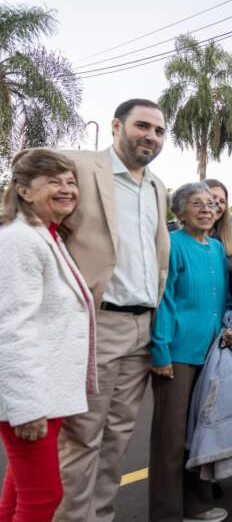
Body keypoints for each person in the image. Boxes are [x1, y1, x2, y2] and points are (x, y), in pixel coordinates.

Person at [55, 98, 171, 522]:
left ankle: (99, 516)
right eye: (143, 126)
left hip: (142, 328)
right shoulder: (82, 166)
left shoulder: (157, 186)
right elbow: (26, 166)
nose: (152, 137)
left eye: (159, 131)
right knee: (81, 438)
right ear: (117, 125)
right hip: (97, 323)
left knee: (117, 438)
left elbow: (156, 254)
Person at [0, 149, 96, 522]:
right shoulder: (19, 240)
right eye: (53, 181)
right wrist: (27, 406)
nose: (67, 189)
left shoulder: (46, 236)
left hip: (45, 392)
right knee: (43, 496)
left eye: (70, 182)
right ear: (23, 190)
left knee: (19, 487)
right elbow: (10, 327)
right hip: (29, 397)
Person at [148, 183, 232, 522]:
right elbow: (165, 300)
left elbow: (223, 298)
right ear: (179, 212)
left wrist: (228, 326)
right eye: (196, 203)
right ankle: (167, 513)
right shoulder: (172, 244)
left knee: (199, 435)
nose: (206, 208)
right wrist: (161, 351)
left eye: (211, 203)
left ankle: (197, 506)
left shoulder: (215, 247)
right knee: (169, 441)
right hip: (178, 354)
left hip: (212, 353)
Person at [205, 179, 232, 270]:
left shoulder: (226, 241)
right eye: (213, 197)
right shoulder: (172, 234)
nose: (217, 203)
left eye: (222, 201)